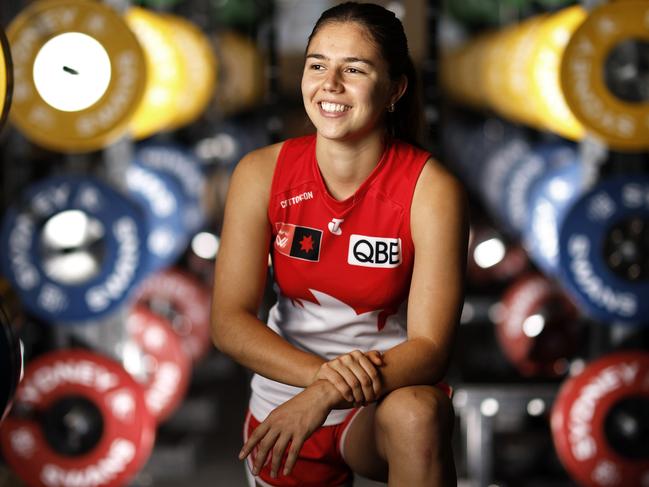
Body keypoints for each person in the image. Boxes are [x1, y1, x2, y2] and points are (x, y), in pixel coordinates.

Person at [211, 3, 468, 486]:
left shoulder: (432, 190)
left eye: (354, 69)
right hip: (285, 410)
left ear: (394, 88)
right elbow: (228, 322)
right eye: (317, 66)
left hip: (380, 406)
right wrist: (317, 383)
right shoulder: (260, 173)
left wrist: (324, 396)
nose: (330, 85)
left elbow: (431, 348)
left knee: (421, 412)